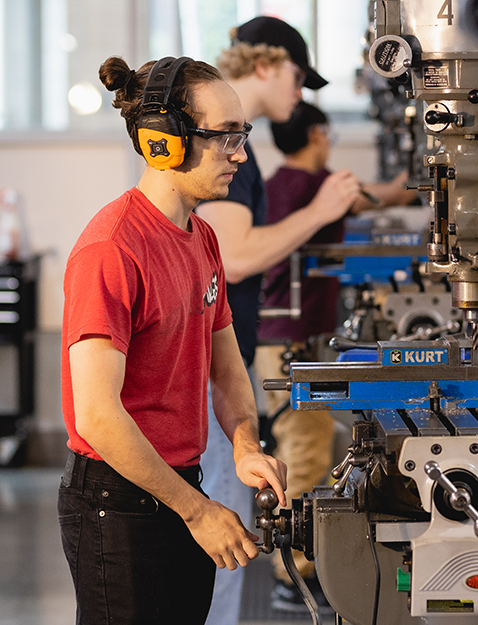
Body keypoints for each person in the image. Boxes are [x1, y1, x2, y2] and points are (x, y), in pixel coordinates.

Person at [58, 54, 286, 625]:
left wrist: (244, 446)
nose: (240, 153)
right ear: (164, 143)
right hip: (119, 503)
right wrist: (198, 512)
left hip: (180, 487)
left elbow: (227, 365)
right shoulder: (111, 250)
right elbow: (97, 417)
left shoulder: (201, 237)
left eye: (243, 135)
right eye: (223, 137)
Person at [192, 16, 360, 624]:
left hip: (217, 359)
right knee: (226, 526)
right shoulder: (225, 148)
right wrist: (320, 210)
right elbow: (234, 256)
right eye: (296, 75)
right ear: (264, 66)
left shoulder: (242, 148)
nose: (300, 92)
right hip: (203, 370)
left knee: (228, 519)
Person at [255, 101, 413, 611]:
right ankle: (291, 575)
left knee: (308, 446)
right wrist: (429, 177)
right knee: (302, 452)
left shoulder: (281, 183)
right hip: (290, 340)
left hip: (285, 336)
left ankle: (298, 565)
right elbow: (380, 196)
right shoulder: (314, 185)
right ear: (318, 134)